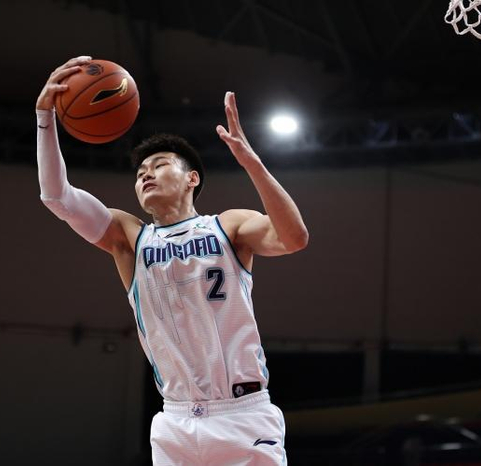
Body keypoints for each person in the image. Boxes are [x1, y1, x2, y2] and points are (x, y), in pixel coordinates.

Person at [36, 56, 308, 465]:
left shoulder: (228, 226)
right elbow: (57, 197)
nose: (146, 174)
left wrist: (252, 163)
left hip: (242, 414)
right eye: (140, 172)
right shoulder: (130, 238)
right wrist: (44, 118)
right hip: (175, 421)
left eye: (160, 165)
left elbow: (294, 238)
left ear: (191, 179)